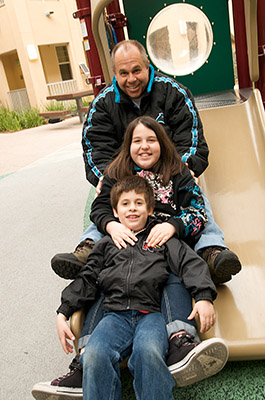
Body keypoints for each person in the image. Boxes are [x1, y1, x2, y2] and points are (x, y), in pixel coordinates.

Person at [51, 39, 241, 285]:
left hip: (168, 170)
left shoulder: (173, 92)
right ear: (115, 73)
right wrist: (104, 177)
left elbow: (191, 136)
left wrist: (184, 168)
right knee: (107, 201)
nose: (131, 79)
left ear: (147, 65)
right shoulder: (103, 104)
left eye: (136, 70)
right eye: (123, 73)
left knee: (195, 196)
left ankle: (211, 251)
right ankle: (87, 249)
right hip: (127, 175)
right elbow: (95, 146)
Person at [32, 176, 228, 400]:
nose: (132, 209)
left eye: (138, 203)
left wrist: (203, 296)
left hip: (151, 315)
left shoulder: (161, 238)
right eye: (125, 204)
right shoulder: (106, 244)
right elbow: (87, 278)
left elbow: (190, 263)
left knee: (149, 353)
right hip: (114, 317)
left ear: (150, 208)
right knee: (95, 355)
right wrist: (63, 312)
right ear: (115, 212)